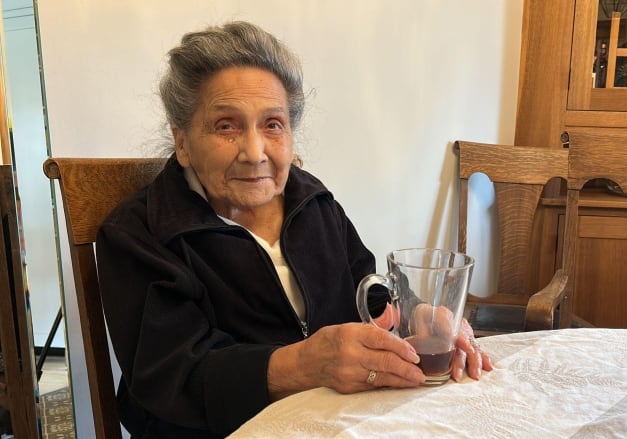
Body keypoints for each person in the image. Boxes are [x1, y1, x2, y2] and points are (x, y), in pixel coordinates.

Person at [96, 20, 492, 438]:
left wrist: (418, 317)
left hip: (334, 422)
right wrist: (305, 363)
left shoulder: (312, 201)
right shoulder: (139, 233)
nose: (254, 153)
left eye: (272, 124)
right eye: (226, 126)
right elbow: (170, 375)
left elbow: (370, 292)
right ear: (182, 142)